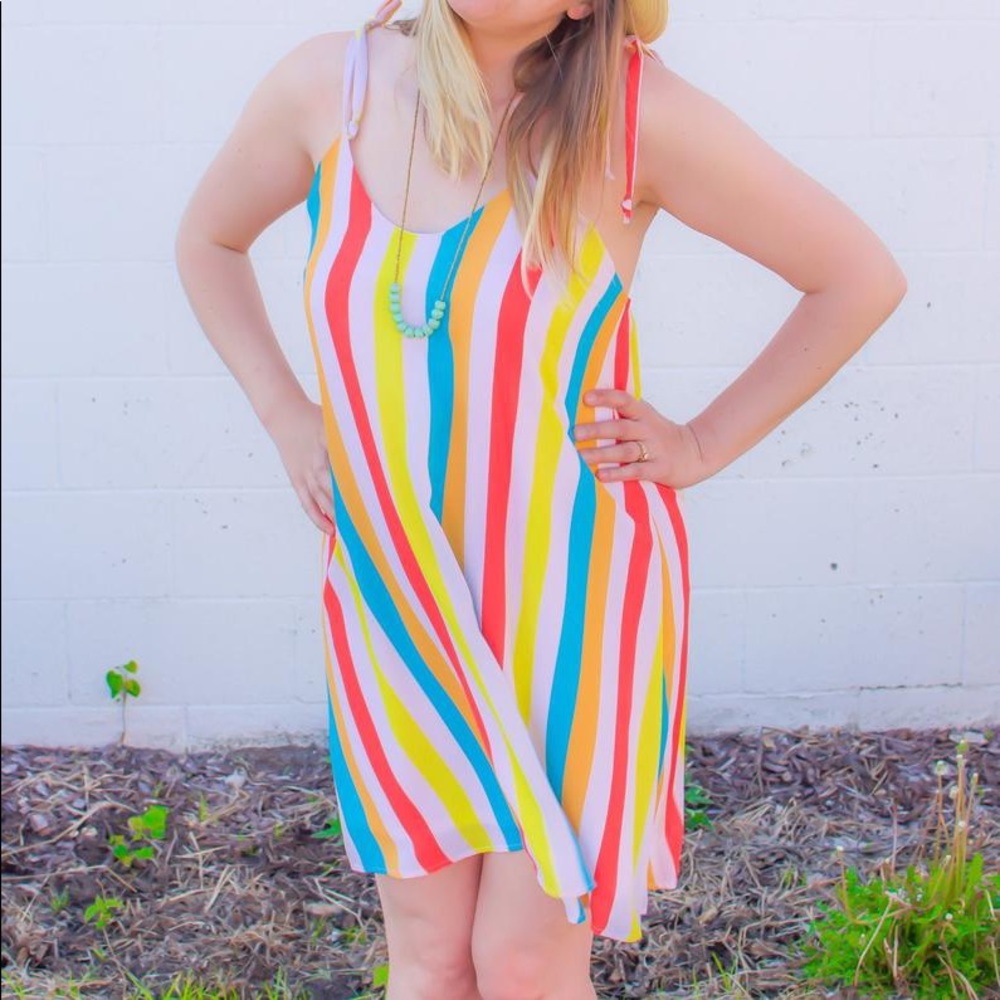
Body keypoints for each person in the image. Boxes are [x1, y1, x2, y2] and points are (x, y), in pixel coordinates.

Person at [175, 0, 906, 996]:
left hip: (574, 611)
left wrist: (700, 441)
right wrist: (284, 410)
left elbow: (856, 275)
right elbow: (207, 240)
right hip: (392, 601)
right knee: (429, 961)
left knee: (520, 963)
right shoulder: (328, 88)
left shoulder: (633, 117)